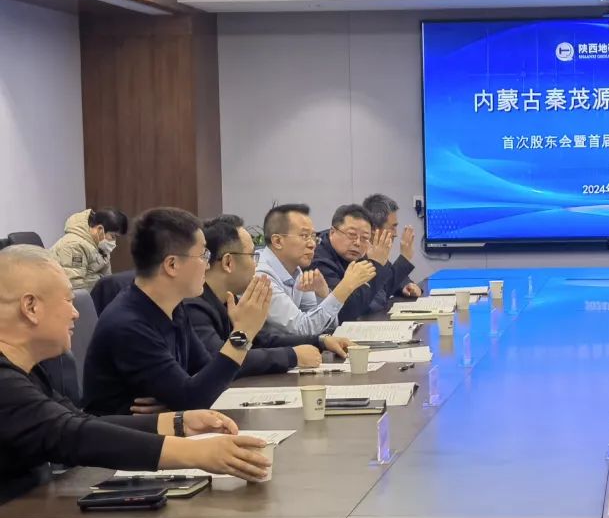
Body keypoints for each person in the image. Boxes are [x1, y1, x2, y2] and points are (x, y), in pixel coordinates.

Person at [0, 245, 270, 497]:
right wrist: (195, 453)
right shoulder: (5, 383)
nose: (75, 313)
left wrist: (178, 422)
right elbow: (72, 434)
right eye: (68, 300)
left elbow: (79, 419)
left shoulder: (29, 372)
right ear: (31, 307)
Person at [82, 208, 272, 415]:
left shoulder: (173, 307)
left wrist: (179, 400)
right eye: (203, 255)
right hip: (125, 434)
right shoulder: (128, 324)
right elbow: (193, 397)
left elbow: (207, 373)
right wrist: (243, 334)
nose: (208, 265)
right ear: (172, 264)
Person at [187, 215, 355, 377]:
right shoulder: (194, 307)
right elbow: (221, 361)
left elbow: (259, 341)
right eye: (252, 255)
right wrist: (292, 356)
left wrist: (320, 341)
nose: (256, 264)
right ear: (228, 263)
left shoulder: (226, 300)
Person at [256, 204, 376, 335]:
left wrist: (323, 294)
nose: (312, 244)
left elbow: (325, 325)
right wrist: (345, 287)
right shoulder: (261, 277)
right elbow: (302, 328)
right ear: (278, 241)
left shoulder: (296, 271)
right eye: (304, 236)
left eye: (313, 236)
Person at [312, 204, 397, 321]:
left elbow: (379, 297)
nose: (357, 243)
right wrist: (375, 265)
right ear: (332, 232)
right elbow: (346, 311)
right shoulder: (318, 260)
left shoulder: (358, 253)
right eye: (351, 235)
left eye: (364, 238)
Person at [50, 207, 129, 292]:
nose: (114, 241)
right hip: (63, 295)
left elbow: (108, 279)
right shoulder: (74, 245)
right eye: (113, 236)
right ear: (100, 229)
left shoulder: (100, 245)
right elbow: (75, 286)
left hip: (92, 294)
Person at [362, 194, 422, 301]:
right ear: (374, 229)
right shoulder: (358, 256)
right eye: (393, 227)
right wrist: (404, 258)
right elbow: (378, 298)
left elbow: (389, 277)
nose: (396, 234)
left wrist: (407, 286)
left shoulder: (379, 253)